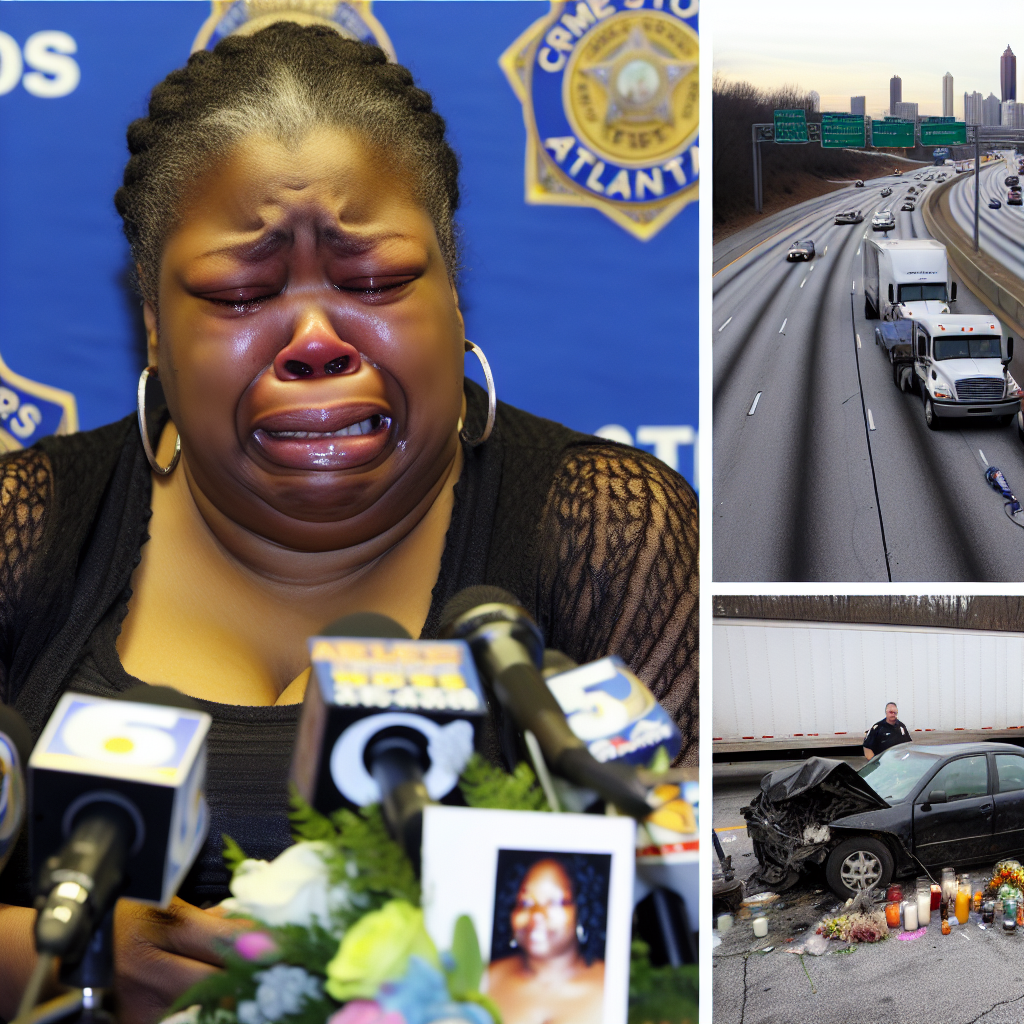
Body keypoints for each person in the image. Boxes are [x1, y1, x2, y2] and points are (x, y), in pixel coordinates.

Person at [0, 22, 698, 1022]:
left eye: (373, 280)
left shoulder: (608, 530)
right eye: (242, 290)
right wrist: (78, 955)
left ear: (453, 292)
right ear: (153, 321)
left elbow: (683, 944)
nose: (317, 340)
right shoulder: (26, 524)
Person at [484, 857, 605, 1024]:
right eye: (525, 902)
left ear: (582, 911)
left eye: (555, 902)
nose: (537, 914)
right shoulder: (488, 979)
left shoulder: (611, 985)